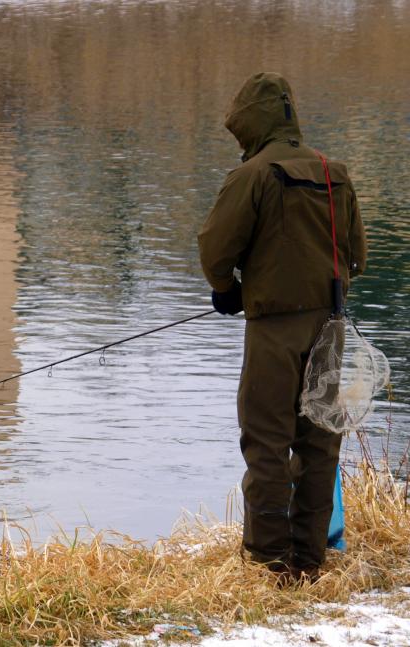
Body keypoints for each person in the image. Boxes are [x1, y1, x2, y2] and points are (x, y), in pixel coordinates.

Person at [197, 72, 367, 581]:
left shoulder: (251, 176)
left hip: (273, 329)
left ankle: (269, 563)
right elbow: (356, 256)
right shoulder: (332, 171)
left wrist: (227, 289)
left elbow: (215, 249)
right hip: (330, 327)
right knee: (318, 442)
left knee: (266, 441)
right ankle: (309, 561)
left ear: (253, 122)